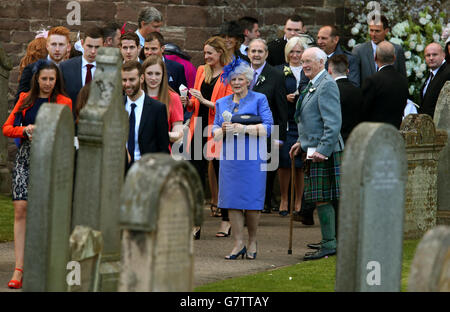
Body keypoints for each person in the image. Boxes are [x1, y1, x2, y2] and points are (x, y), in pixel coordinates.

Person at [2, 60, 72, 288]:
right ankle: (19, 267)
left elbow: (68, 131)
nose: (48, 83)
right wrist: (25, 129)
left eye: (52, 79)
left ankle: (44, 263)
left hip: (51, 159)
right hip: (26, 158)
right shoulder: (25, 99)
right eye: (44, 79)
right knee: (21, 207)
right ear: (36, 79)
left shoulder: (64, 102)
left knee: (46, 211)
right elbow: (7, 127)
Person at [212, 58, 273, 260]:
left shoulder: (259, 99)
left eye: (240, 79)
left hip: (253, 158)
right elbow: (213, 131)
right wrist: (222, 129)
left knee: (252, 201)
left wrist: (244, 128)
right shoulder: (221, 103)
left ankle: (252, 240)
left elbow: (269, 127)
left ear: (247, 80)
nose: (236, 83)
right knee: (232, 200)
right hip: (230, 159)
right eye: (233, 80)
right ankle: (238, 243)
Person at [289, 47, 343, 261]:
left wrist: (322, 150)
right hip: (313, 148)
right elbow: (311, 120)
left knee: (322, 198)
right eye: (302, 62)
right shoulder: (313, 84)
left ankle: (330, 244)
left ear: (322, 62)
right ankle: (329, 239)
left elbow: (333, 123)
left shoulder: (327, 85)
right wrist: (301, 143)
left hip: (324, 150)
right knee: (321, 197)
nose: (304, 65)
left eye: (308, 61)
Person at [180, 36, 232, 237]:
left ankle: (226, 220)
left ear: (220, 53)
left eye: (210, 53)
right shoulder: (202, 70)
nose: (206, 56)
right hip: (198, 126)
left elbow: (227, 106)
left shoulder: (229, 74)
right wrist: (189, 101)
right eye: (205, 53)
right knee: (196, 175)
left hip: (218, 129)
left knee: (222, 174)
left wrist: (204, 101)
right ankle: (196, 223)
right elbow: (195, 102)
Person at [247, 38, 288, 214]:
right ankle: (247, 202)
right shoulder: (241, 73)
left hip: (267, 132)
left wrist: (279, 138)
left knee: (266, 171)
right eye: (253, 51)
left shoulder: (276, 75)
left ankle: (263, 203)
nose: (256, 55)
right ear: (248, 53)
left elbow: (281, 109)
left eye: (260, 51)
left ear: (266, 54)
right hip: (244, 131)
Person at [276, 36, 309, 218]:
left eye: (299, 51)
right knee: (285, 161)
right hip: (286, 119)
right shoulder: (279, 70)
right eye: (292, 51)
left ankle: (298, 200)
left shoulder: (307, 70)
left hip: (302, 121)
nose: (295, 55)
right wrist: (285, 97)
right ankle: (284, 198)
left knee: (300, 162)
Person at [122, 60, 170, 168]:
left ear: (142, 78)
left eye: (132, 80)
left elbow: (163, 149)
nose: (127, 84)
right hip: (120, 172)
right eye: (124, 80)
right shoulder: (116, 106)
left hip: (146, 172)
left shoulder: (157, 109)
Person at [16, 26, 71, 103]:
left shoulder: (74, 70)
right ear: (47, 46)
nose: (57, 49)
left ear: (68, 47)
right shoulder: (31, 69)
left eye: (61, 44)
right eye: (54, 44)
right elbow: (20, 101)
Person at [361, 41, 409, 129]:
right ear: (394, 58)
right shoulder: (403, 81)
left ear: (375, 58)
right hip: (396, 131)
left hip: (376, 132)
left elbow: (364, 110)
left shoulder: (372, 81)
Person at [352, 15, 406, 87]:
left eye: (377, 31)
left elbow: (402, 80)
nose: (373, 34)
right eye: (371, 30)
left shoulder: (397, 50)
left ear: (386, 31)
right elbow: (355, 83)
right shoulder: (359, 51)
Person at [142, 55, 184, 145]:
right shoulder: (136, 96)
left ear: (163, 75)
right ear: (143, 75)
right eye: (149, 73)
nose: (153, 78)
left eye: (157, 74)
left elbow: (178, 132)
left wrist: (164, 134)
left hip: (161, 153)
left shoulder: (173, 97)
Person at [60, 26, 104, 109]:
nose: (93, 51)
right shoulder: (66, 68)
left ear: (104, 46)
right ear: (82, 43)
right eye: (89, 46)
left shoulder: (108, 70)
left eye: (97, 47)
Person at [328, 54, 362, 142]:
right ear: (347, 71)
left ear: (329, 71)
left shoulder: (330, 91)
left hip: (336, 142)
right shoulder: (358, 91)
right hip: (355, 141)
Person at [418, 42, 450, 118]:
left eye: (434, 54)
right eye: (428, 55)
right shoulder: (431, 73)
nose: (431, 58)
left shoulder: (448, 73)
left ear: (443, 55)